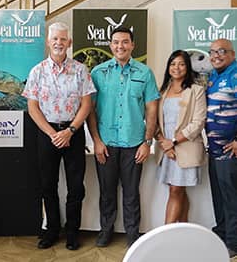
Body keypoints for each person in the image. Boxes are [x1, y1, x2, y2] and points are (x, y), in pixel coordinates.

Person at [22, 22, 96, 250]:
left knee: (76, 187)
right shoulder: (37, 71)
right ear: (48, 41)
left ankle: (72, 232)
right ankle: (52, 229)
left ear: (69, 43)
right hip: (47, 134)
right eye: (55, 39)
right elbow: (33, 108)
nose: (59, 43)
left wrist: (70, 131)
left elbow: (87, 104)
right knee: (47, 185)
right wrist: (53, 134)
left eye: (63, 39)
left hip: (73, 133)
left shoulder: (81, 70)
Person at [86, 26, 159, 247]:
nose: (120, 46)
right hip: (106, 144)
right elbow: (90, 110)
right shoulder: (98, 72)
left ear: (132, 45)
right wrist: (97, 142)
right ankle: (105, 231)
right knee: (106, 192)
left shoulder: (144, 73)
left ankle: (132, 235)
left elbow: (152, 110)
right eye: (116, 42)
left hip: (134, 143)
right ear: (110, 45)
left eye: (125, 42)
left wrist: (147, 143)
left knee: (131, 193)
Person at [154, 50, 206, 224]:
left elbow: (198, 123)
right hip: (166, 151)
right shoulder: (162, 92)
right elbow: (154, 122)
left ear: (188, 67)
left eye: (181, 64)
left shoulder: (196, 90)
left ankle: (165, 234)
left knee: (176, 190)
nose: (177, 68)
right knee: (177, 191)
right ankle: (182, 231)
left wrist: (173, 142)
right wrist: (164, 144)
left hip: (185, 148)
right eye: (173, 64)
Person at [205, 38, 237, 258]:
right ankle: (222, 234)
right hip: (214, 150)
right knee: (218, 197)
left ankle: (234, 243)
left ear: (232, 54)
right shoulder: (212, 76)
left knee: (231, 199)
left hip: (230, 151)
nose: (216, 55)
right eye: (212, 52)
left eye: (222, 51)